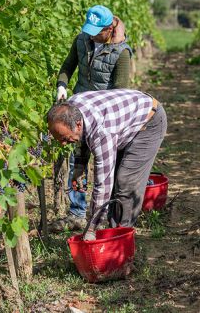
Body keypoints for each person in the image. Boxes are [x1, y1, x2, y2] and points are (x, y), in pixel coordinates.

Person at [46, 89, 167, 240]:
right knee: (117, 179)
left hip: (149, 121)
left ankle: (120, 238)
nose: (63, 144)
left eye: (64, 138)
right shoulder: (70, 109)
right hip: (124, 119)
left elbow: (103, 185)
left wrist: (92, 228)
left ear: (78, 124)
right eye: (59, 139)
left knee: (125, 182)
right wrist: (79, 169)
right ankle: (112, 230)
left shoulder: (102, 132)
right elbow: (81, 138)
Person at [53, 5, 133, 230]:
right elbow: (68, 66)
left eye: (96, 32)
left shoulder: (121, 52)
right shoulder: (82, 40)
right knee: (77, 162)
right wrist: (62, 85)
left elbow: (120, 92)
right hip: (78, 113)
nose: (91, 35)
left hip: (104, 119)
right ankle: (76, 213)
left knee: (105, 167)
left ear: (109, 29)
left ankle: (104, 215)